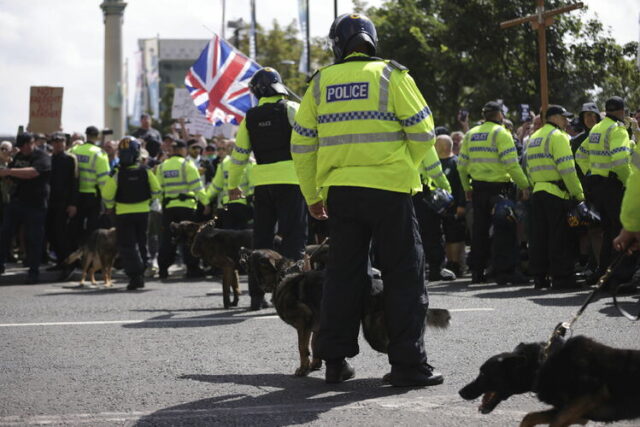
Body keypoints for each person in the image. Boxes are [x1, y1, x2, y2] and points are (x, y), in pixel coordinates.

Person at [291, 13, 443, 387]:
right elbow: (425, 133)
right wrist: (401, 166)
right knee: (404, 276)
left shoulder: (321, 82)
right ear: (372, 40)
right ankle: (408, 365)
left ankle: (334, 363)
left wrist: (313, 196)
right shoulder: (393, 75)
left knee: (342, 277)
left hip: (341, 194)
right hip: (390, 192)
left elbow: (301, 145)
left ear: (338, 46)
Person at [227, 67, 308, 310]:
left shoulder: (250, 117)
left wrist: (233, 185)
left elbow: (239, 155)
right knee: (294, 239)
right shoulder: (293, 109)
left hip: (262, 184)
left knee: (261, 241)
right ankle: (291, 293)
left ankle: (256, 296)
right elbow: (311, 144)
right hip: (292, 182)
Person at [457, 101, 531, 285]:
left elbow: (461, 166)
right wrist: (524, 185)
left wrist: (467, 188)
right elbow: (511, 164)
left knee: (479, 231)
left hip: (478, 189)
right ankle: (505, 272)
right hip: (499, 190)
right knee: (504, 230)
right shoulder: (501, 133)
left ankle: (477, 272)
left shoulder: (471, 134)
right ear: (499, 116)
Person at [575, 96, 637, 291]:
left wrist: (592, 172)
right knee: (622, 230)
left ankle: (604, 273)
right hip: (613, 185)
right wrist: (630, 183)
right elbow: (620, 161)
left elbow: (580, 155)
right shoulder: (617, 129)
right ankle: (619, 277)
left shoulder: (597, 129)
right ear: (621, 112)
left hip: (598, 186)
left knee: (608, 231)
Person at [524, 105, 585, 289]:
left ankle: (540, 277)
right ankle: (562, 277)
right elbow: (567, 169)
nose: (567, 121)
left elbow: (528, 167)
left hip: (538, 192)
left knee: (539, 237)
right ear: (554, 117)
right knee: (559, 238)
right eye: (563, 117)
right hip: (556, 193)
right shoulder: (558, 137)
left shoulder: (534, 138)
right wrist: (578, 194)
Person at [102, 136, 161, 290]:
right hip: (143, 213)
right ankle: (142, 271)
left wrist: (110, 206)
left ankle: (135, 275)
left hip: (123, 214)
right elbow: (156, 190)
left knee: (127, 246)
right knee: (142, 242)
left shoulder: (116, 172)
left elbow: (107, 194)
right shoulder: (146, 171)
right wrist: (147, 202)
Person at [0, 133, 51, 283]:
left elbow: (33, 173)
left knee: (34, 238)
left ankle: (33, 272)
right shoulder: (19, 157)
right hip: (17, 201)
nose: (24, 148)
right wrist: (7, 175)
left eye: (26, 145)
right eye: (21, 146)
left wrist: (8, 172)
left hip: (35, 204)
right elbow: (12, 174)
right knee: (5, 233)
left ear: (32, 143)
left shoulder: (42, 156)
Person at [156, 139, 209, 279]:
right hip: (187, 208)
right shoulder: (187, 165)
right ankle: (192, 269)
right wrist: (206, 203)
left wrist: (163, 204)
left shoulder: (162, 167)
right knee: (189, 240)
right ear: (182, 150)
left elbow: (158, 189)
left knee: (168, 239)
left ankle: (163, 269)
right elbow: (197, 187)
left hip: (169, 209)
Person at [68, 126, 110, 248]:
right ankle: (89, 256)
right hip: (92, 196)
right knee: (92, 228)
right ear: (97, 137)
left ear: (86, 135)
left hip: (75, 196)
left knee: (75, 226)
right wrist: (107, 202)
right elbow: (103, 180)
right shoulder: (99, 153)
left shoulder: (74, 150)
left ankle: (74, 255)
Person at [46, 132, 78, 272]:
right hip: (50, 202)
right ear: (52, 143)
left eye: (61, 141)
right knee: (51, 233)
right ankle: (60, 261)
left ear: (65, 143)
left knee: (61, 234)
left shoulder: (70, 159)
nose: (59, 144)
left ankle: (68, 264)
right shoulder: (48, 159)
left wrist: (73, 203)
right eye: (56, 141)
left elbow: (75, 182)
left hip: (64, 203)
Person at [436, 134, 467, 276]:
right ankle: (448, 262)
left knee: (455, 236)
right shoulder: (434, 164)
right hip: (438, 208)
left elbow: (462, 186)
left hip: (454, 206)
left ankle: (456, 263)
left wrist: (461, 204)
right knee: (445, 237)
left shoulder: (456, 162)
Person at [206, 141, 254, 230]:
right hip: (242, 205)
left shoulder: (224, 164)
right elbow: (253, 186)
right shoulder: (248, 162)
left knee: (228, 236)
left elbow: (215, 187)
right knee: (242, 236)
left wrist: (205, 200)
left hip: (226, 206)